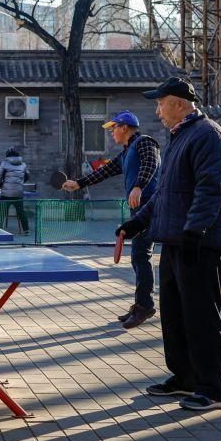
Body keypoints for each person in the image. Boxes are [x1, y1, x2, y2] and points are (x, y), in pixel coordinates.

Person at [116, 76, 221, 412]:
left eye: (160, 103)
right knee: (175, 315)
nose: (157, 111)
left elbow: (211, 189)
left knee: (201, 317)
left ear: (179, 103)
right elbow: (167, 195)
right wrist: (137, 223)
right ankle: (184, 378)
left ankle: (212, 389)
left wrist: (195, 232)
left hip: (199, 244)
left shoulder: (208, 135)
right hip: (173, 241)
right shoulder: (180, 136)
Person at [62, 111, 160, 329]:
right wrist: (78, 183)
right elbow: (104, 172)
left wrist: (138, 186)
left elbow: (150, 164)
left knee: (140, 254)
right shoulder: (126, 153)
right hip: (138, 209)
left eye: (113, 128)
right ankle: (142, 303)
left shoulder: (145, 143)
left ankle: (145, 306)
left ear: (124, 127)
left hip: (149, 207)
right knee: (139, 256)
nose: (111, 133)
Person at [0, 147, 30, 235]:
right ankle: (26, 230)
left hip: (6, 193)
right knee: (21, 212)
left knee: (1, 212)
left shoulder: (5, 163)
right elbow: (27, 176)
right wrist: (20, 183)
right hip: (18, 193)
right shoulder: (23, 165)